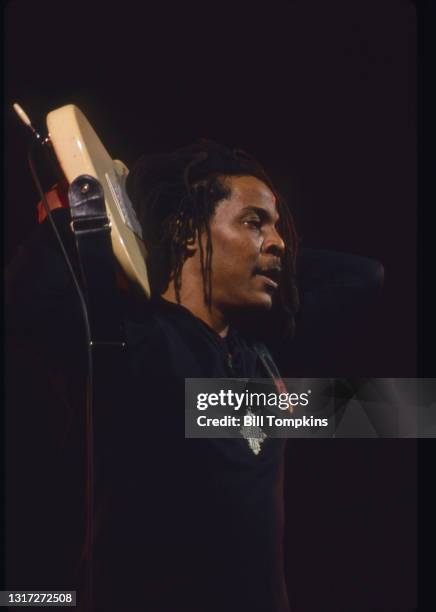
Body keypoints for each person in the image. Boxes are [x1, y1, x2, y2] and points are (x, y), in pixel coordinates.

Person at [5, 140, 383, 611]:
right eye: (253, 221)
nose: (278, 240)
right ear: (188, 233)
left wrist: (260, 251)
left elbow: (365, 278)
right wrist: (76, 221)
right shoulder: (132, 348)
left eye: (277, 228)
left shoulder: (256, 365)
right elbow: (26, 298)